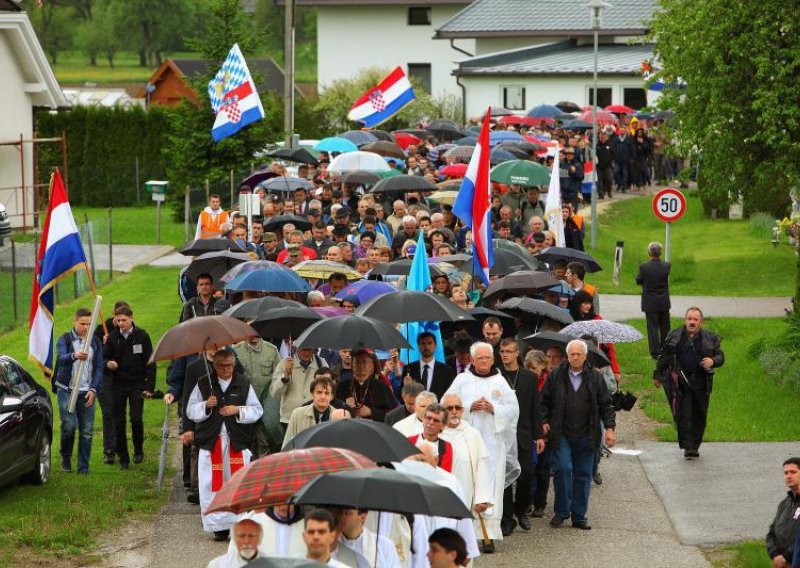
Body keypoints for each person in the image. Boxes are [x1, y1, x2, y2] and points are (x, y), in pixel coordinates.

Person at [444, 342, 519, 550]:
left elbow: (513, 411)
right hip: (466, 443)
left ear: (493, 360)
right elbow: (446, 404)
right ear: (472, 359)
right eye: (480, 358)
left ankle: (488, 535)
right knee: (467, 483)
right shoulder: (462, 380)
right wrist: (469, 407)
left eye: (487, 358)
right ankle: (464, 533)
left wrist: (493, 408)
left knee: (491, 484)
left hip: (493, 445)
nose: (484, 361)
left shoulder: (500, 382)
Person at [186, 349, 263, 540]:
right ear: (214, 365)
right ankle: (218, 526)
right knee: (212, 485)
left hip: (236, 442)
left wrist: (238, 409)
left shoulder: (243, 383)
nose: (226, 369)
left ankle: (237, 523)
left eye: (230, 365)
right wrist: (206, 405)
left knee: (235, 484)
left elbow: (257, 410)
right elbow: (190, 410)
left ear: (234, 364)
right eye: (222, 366)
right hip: (212, 443)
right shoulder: (204, 383)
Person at [541, 339, 616, 530]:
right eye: (572, 354)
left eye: (578, 354)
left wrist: (609, 429)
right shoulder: (556, 375)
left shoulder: (595, 377)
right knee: (563, 469)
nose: (575, 357)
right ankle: (562, 510)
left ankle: (579, 515)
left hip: (587, 433)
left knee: (583, 474)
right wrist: (544, 421)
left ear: (585, 356)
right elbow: (544, 401)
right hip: (562, 432)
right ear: (567, 356)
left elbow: (606, 404)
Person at [654, 307, 725, 459]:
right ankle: (688, 447)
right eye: (689, 319)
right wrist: (658, 375)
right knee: (683, 415)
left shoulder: (710, 337)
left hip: (701, 383)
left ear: (701, 322)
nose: (692, 322)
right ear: (685, 320)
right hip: (680, 383)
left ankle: (695, 445)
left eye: (695, 319)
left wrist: (713, 361)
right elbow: (664, 356)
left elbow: (721, 356)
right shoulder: (674, 336)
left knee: (699, 415)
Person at [498, 338, 544, 536]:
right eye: (502, 351)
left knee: (526, 474)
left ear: (517, 353)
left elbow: (535, 408)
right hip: (501, 436)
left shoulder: (528, 378)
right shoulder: (496, 376)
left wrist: (539, 435)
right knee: (505, 477)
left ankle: (521, 509)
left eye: (509, 351)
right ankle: (507, 518)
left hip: (523, 433)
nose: (505, 354)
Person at [103, 305, 156, 470]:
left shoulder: (142, 336)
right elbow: (103, 359)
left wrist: (149, 386)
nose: (121, 323)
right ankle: (123, 458)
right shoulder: (112, 338)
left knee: (136, 418)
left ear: (131, 318)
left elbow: (150, 362)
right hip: (118, 385)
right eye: (118, 320)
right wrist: (108, 363)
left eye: (124, 320)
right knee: (119, 422)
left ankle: (138, 448)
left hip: (137, 384)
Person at [54, 307, 104, 474]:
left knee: (87, 431)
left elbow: (98, 367)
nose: (86, 327)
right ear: (74, 322)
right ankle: (66, 457)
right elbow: (61, 359)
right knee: (69, 425)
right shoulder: (65, 340)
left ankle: (83, 467)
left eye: (89, 324)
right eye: (83, 324)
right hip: (67, 390)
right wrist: (74, 356)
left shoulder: (95, 342)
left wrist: (94, 389)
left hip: (87, 391)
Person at [233, 335, 282, 456]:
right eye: (250, 330)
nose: (253, 335)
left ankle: (262, 473)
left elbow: (279, 378)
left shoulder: (272, 350)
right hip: (242, 408)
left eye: (256, 331)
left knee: (264, 443)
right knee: (242, 444)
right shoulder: (235, 350)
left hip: (265, 409)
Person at [270, 346, 328, 430]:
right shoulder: (284, 364)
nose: (306, 353)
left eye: (309, 349)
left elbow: (329, 389)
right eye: (304, 349)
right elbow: (275, 393)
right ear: (296, 349)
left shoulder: (321, 363)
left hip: (314, 418)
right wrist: (285, 377)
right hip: (290, 419)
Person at [336, 350, 395, 422]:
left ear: (371, 366)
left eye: (364, 362)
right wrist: (344, 404)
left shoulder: (381, 387)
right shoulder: (342, 387)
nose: (360, 367)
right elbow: (333, 409)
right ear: (352, 365)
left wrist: (371, 412)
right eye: (357, 362)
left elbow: (393, 415)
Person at [227, 505, 306, 559]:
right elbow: (234, 560)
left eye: (289, 498)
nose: (283, 505)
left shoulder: (309, 525)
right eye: (279, 498)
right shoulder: (252, 522)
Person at [636, 241, 672, 359]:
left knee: (652, 328)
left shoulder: (644, 267)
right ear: (660, 252)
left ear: (649, 252)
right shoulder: (667, 266)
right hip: (663, 300)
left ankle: (655, 352)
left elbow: (638, 280)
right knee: (665, 327)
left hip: (650, 301)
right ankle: (666, 349)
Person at [283, 375, 337, 446]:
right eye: (319, 392)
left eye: (326, 393)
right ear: (312, 394)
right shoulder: (297, 414)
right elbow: (287, 445)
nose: (323, 397)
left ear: (332, 396)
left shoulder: (338, 417)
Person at [766, 457, 800, 568]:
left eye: (793, 472)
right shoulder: (784, 503)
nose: (788, 476)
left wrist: (785, 557)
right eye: (786, 473)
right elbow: (771, 533)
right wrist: (775, 555)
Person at [405, 332, 456, 400]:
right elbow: (402, 397)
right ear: (418, 345)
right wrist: (407, 388)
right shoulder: (409, 369)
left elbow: (450, 395)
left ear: (435, 345)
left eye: (429, 343)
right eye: (423, 343)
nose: (426, 347)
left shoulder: (447, 371)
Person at [407, 403, 455, 472]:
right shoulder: (410, 441)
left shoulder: (446, 447)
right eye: (428, 418)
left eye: (436, 420)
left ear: (443, 425)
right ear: (423, 419)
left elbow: (445, 473)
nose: (431, 422)